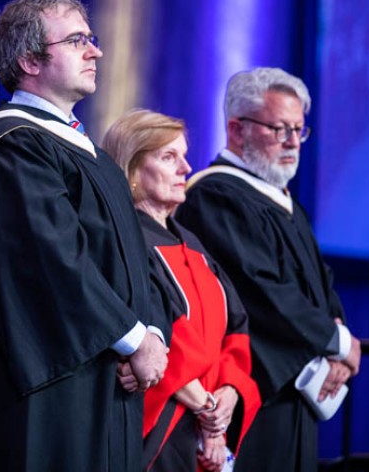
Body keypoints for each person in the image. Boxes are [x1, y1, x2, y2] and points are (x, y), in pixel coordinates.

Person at [0, 0, 169, 472]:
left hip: (109, 379)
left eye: (92, 38)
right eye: (78, 39)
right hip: (47, 389)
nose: (95, 51)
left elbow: (136, 263)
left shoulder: (91, 155)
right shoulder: (11, 144)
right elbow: (52, 262)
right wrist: (132, 340)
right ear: (28, 59)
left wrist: (151, 333)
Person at [175, 67, 361, 472]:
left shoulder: (285, 202)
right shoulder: (215, 196)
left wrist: (339, 342)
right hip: (252, 394)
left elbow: (321, 284)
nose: (293, 142)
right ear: (237, 129)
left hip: (297, 396)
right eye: (279, 129)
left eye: (299, 130)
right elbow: (259, 292)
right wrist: (336, 342)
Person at [102, 109, 260, 472]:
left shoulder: (193, 244)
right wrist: (207, 410)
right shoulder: (122, 242)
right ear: (132, 170)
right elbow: (156, 338)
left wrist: (229, 395)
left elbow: (236, 327)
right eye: (168, 157)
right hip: (160, 430)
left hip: (204, 434)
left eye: (184, 156)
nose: (186, 168)